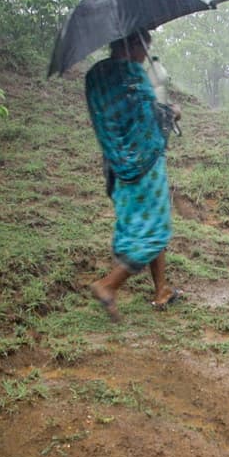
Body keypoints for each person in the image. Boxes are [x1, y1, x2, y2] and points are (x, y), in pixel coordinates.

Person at [86, 30, 182, 321]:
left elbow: (117, 116)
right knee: (156, 228)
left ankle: (161, 290)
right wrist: (172, 113)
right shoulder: (132, 75)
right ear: (130, 45)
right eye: (144, 46)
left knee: (147, 221)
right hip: (145, 164)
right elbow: (148, 116)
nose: (144, 54)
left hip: (116, 165)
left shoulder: (96, 74)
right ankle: (108, 285)